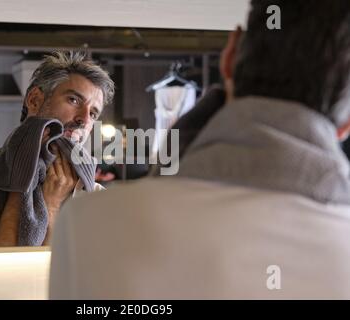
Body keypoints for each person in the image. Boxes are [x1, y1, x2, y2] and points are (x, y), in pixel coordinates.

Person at [50, 1, 350, 299]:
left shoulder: (90, 224)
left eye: (94, 111)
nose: (85, 118)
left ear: (230, 55)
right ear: (347, 124)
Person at [0, 51, 114, 248]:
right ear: (35, 100)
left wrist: (51, 212)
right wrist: (28, 184)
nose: (84, 119)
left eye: (93, 113)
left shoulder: (96, 198)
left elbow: (76, 275)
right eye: (74, 100)